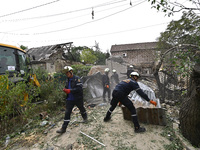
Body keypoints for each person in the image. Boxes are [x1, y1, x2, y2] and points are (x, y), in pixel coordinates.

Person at [56, 66, 88, 134]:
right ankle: (63, 128)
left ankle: (85, 118)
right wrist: (65, 90)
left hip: (77, 98)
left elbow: (79, 89)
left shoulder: (77, 79)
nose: (67, 74)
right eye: (66, 73)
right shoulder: (67, 80)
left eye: (68, 72)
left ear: (71, 72)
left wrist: (70, 90)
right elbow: (67, 87)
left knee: (81, 108)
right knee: (67, 112)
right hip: (69, 99)